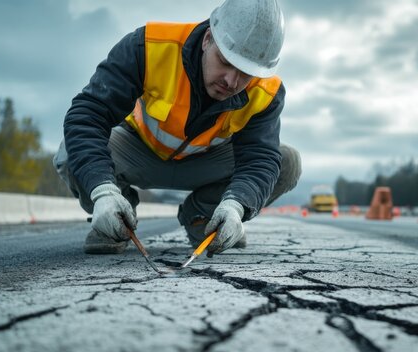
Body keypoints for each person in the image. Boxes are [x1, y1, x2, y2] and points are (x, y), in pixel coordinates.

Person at [53, 0, 301, 257]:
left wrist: (236, 205)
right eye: (225, 62)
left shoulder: (265, 92)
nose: (231, 81)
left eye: (245, 73)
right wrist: (102, 190)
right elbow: (88, 115)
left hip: (206, 163)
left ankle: (203, 218)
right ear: (207, 39)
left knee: (287, 162)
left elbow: (259, 159)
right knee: (70, 151)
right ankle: (117, 217)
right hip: (137, 151)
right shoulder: (149, 47)